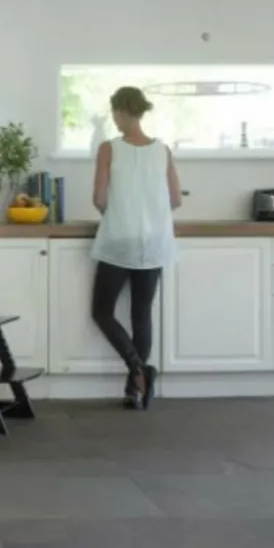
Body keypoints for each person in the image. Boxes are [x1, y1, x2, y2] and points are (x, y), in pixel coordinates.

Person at [90, 86, 182, 410]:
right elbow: (176, 200)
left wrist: (119, 214)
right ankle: (137, 387)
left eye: (114, 112)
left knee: (102, 312)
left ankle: (138, 370)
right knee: (141, 315)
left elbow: (99, 198)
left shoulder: (109, 149)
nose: (114, 119)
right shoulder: (163, 150)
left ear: (121, 111)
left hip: (119, 240)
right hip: (154, 242)